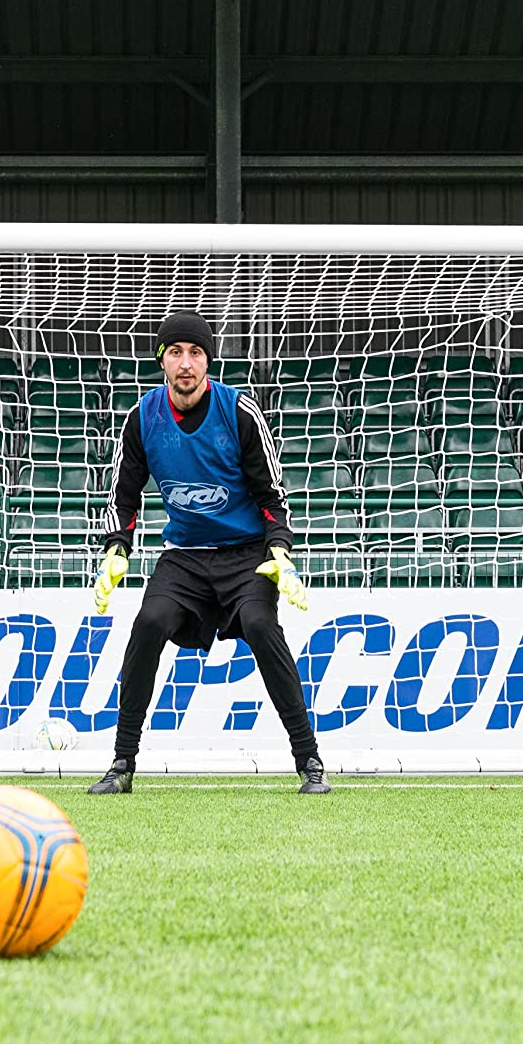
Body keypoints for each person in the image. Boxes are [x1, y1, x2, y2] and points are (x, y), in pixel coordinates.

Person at [86, 311, 330, 794]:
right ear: (162, 360)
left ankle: (309, 761)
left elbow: (272, 495)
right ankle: (122, 763)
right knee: (149, 622)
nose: (186, 363)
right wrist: (116, 547)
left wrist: (280, 550)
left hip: (246, 555)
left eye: (196, 352)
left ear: (208, 360)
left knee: (261, 625)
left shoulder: (239, 411)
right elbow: (123, 496)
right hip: (184, 556)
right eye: (176, 352)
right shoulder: (142, 418)